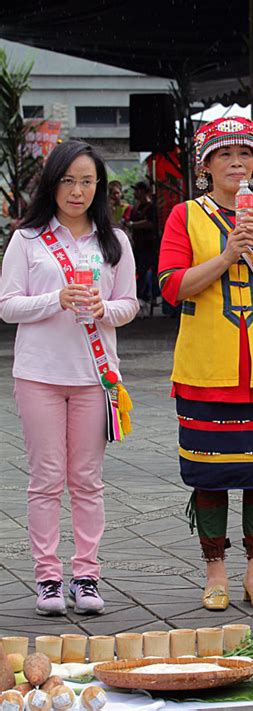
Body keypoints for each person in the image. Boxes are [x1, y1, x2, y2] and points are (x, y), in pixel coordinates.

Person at [158, 117, 253, 611]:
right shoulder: (185, 216)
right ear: (205, 165)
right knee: (210, 473)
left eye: (246, 154)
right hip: (207, 368)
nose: (237, 163)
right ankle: (216, 571)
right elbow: (170, 286)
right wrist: (226, 256)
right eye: (224, 155)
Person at [0, 140, 139, 616]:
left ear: (99, 186)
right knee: (45, 479)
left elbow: (130, 304)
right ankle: (47, 580)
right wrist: (54, 299)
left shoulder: (114, 241)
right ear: (53, 182)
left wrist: (105, 309)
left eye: (86, 181)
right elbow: (7, 305)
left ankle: (86, 575)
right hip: (38, 374)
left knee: (87, 480)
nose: (76, 191)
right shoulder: (28, 239)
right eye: (68, 180)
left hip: (93, 377)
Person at [126, 180, 156, 311]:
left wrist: (134, 225)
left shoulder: (151, 207)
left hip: (148, 246)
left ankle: (146, 297)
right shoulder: (136, 207)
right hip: (136, 245)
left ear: (144, 191)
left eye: (137, 190)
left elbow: (151, 223)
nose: (135, 193)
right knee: (136, 271)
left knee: (145, 271)